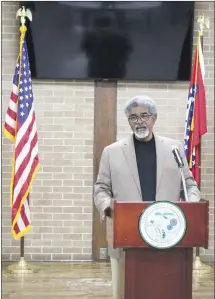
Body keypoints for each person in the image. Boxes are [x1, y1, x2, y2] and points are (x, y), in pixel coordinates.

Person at [93, 95, 200, 299]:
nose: (139, 121)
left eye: (144, 116)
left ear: (154, 119)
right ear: (128, 121)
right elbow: (101, 188)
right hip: (126, 236)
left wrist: (191, 207)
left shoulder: (174, 149)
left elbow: (189, 185)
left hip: (169, 237)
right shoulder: (112, 152)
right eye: (133, 117)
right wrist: (107, 207)